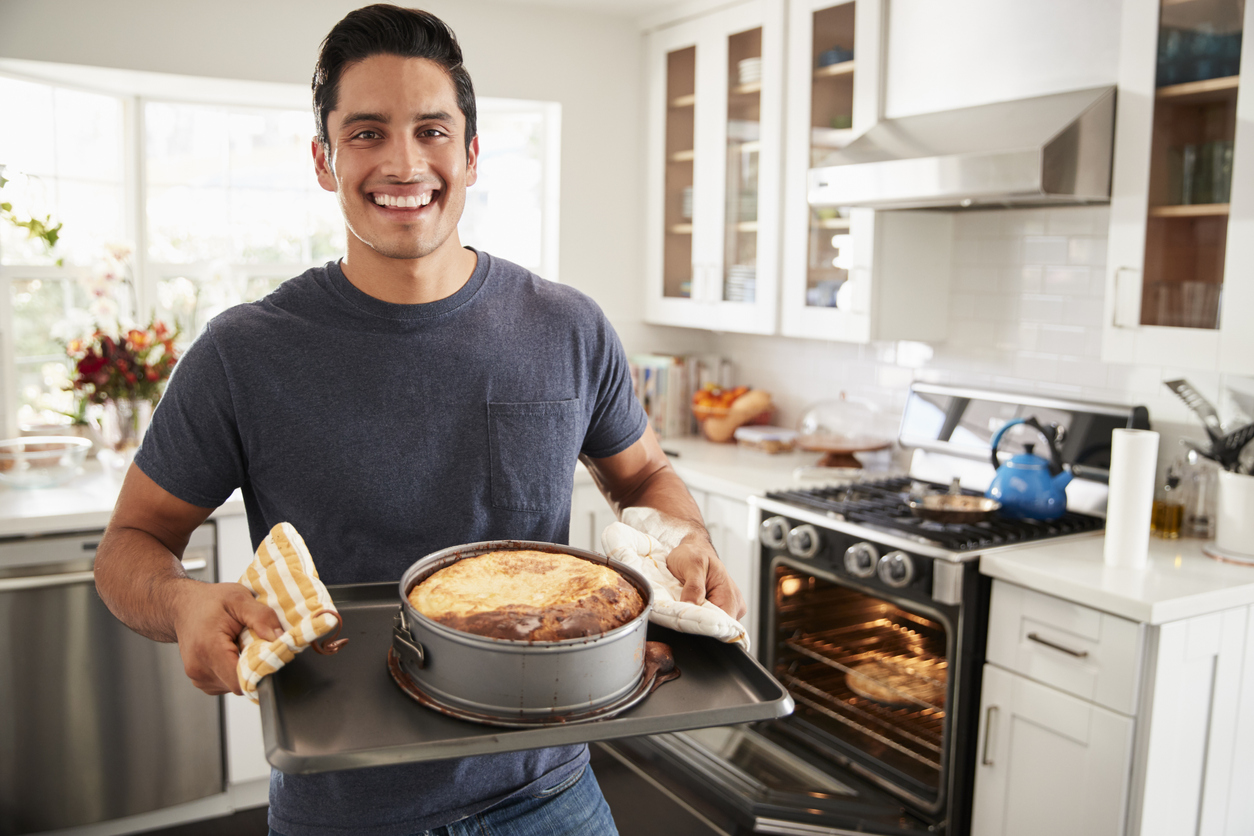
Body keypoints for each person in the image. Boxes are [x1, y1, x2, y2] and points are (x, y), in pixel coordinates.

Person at [92, 5, 746, 836]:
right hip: (342, 809)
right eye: (366, 133)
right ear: (324, 160)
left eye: (432, 131)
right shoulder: (243, 353)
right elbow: (129, 545)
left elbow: (644, 473)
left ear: (470, 154)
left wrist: (685, 537)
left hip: (551, 795)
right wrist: (184, 602)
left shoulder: (568, 327)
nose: (404, 163)